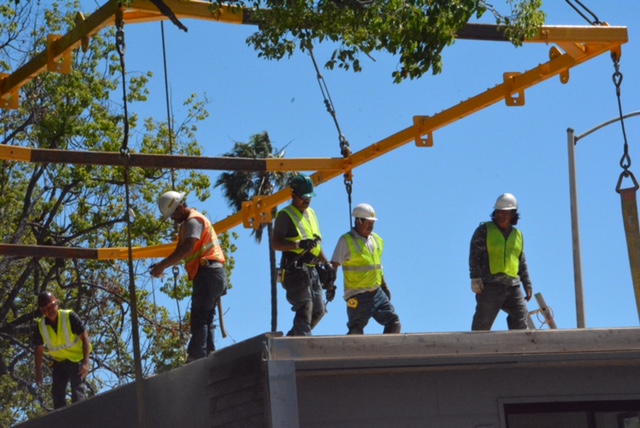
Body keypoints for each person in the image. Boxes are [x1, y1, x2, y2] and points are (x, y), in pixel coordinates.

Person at [151, 190, 228, 361]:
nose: (173, 220)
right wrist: (163, 265)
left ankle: (197, 357)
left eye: (173, 215)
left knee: (199, 318)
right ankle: (209, 355)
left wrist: (163, 265)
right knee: (206, 317)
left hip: (208, 272)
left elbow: (187, 249)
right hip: (214, 273)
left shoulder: (193, 221)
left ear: (179, 208)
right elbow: (183, 251)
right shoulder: (189, 223)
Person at [273, 174, 334, 336]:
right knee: (305, 307)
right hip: (296, 269)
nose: (306, 200)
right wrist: (298, 245)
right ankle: (304, 344)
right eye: (303, 197)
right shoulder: (285, 215)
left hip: (312, 269)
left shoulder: (311, 213)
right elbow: (276, 243)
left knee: (319, 310)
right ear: (293, 194)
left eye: (309, 197)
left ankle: (292, 340)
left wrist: (327, 264)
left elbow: (316, 244)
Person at [331, 203, 401, 335]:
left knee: (394, 323)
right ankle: (350, 354)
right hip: (357, 296)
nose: (371, 226)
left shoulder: (376, 240)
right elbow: (334, 264)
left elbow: (378, 265)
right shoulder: (346, 241)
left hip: (376, 293)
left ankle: (385, 353)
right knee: (356, 330)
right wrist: (330, 286)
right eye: (368, 222)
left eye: (372, 222)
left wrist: (384, 285)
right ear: (358, 221)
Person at [469, 193, 533, 331]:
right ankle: (476, 350)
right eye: (498, 212)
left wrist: (527, 284)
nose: (501, 215)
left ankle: (519, 350)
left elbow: (521, 262)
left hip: (513, 286)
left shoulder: (518, 235)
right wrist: (475, 278)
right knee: (482, 324)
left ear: (513, 215)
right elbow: (475, 255)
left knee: (521, 321)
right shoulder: (484, 231)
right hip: (490, 285)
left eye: (505, 213)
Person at [34, 291, 92, 409]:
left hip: (76, 359)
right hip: (59, 361)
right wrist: (38, 372)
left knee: (77, 390)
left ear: (57, 303)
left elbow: (85, 337)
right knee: (57, 393)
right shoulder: (41, 325)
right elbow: (39, 349)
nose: (49, 311)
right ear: (41, 310)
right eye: (45, 309)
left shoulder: (69, 316)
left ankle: (79, 416)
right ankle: (61, 421)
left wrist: (86, 362)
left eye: (51, 306)